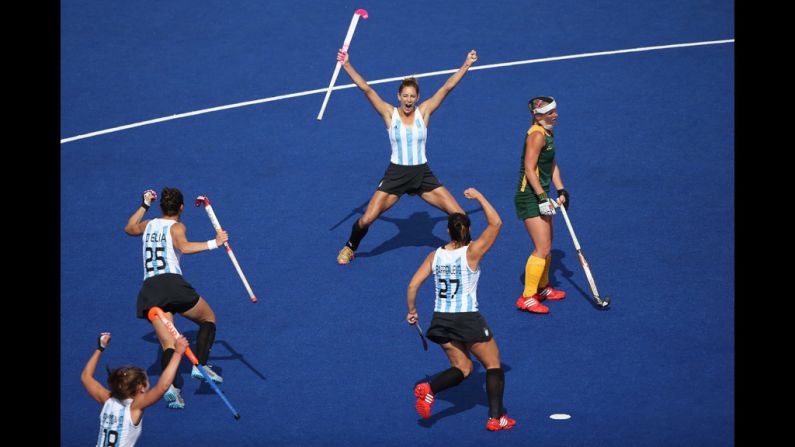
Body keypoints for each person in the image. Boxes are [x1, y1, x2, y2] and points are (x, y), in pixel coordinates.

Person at [335, 48, 479, 264]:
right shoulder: (388, 113)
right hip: (396, 175)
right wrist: (346, 64)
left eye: (412, 96)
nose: (409, 100)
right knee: (367, 219)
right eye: (405, 96)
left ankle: (465, 249)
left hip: (422, 175)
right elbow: (366, 89)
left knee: (460, 215)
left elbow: (447, 87)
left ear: (417, 97)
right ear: (398, 96)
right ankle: (350, 246)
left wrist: (466, 64)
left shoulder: (425, 112)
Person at [406, 188, 516, 431]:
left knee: (463, 368)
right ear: (468, 230)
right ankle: (496, 418)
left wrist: (412, 311)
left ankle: (430, 389)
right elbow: (496, 222)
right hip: (467, 319)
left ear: (448, 231)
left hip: (441, 321)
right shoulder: (473, 252)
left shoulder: (434, 256)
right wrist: (479, 196)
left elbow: (413, 284)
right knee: (493, 364)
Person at [124, 187, 228, 409]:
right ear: (181, 207)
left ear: (162, 206)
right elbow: (184, 247)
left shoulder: (148, 224)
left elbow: (129, 228)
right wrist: (214, 243)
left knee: (168, 343)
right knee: (208, 318)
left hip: (150, 289)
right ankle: (200, 365)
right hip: (172, 285)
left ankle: (170, 388)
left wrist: (144, 205)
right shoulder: (177, 227)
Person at [81, 331, 189, 446]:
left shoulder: (107, 400)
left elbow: (86, 377)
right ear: (141, 387)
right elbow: (163, 387)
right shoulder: (134, 407)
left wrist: (100, 348)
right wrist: (177, 354)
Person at [514, 96, 569, 314]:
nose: (555, 115)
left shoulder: (548, 132)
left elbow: (551, 163)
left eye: (555, 111)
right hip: (529, 196)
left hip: (541, 194)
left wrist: (561, 189)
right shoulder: (536, 136)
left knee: (548, 243)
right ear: (538, 116)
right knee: (542, 247)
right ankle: (527, 297)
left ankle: (543, 288)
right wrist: (542, 198)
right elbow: (529, 169)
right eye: (550, 113)